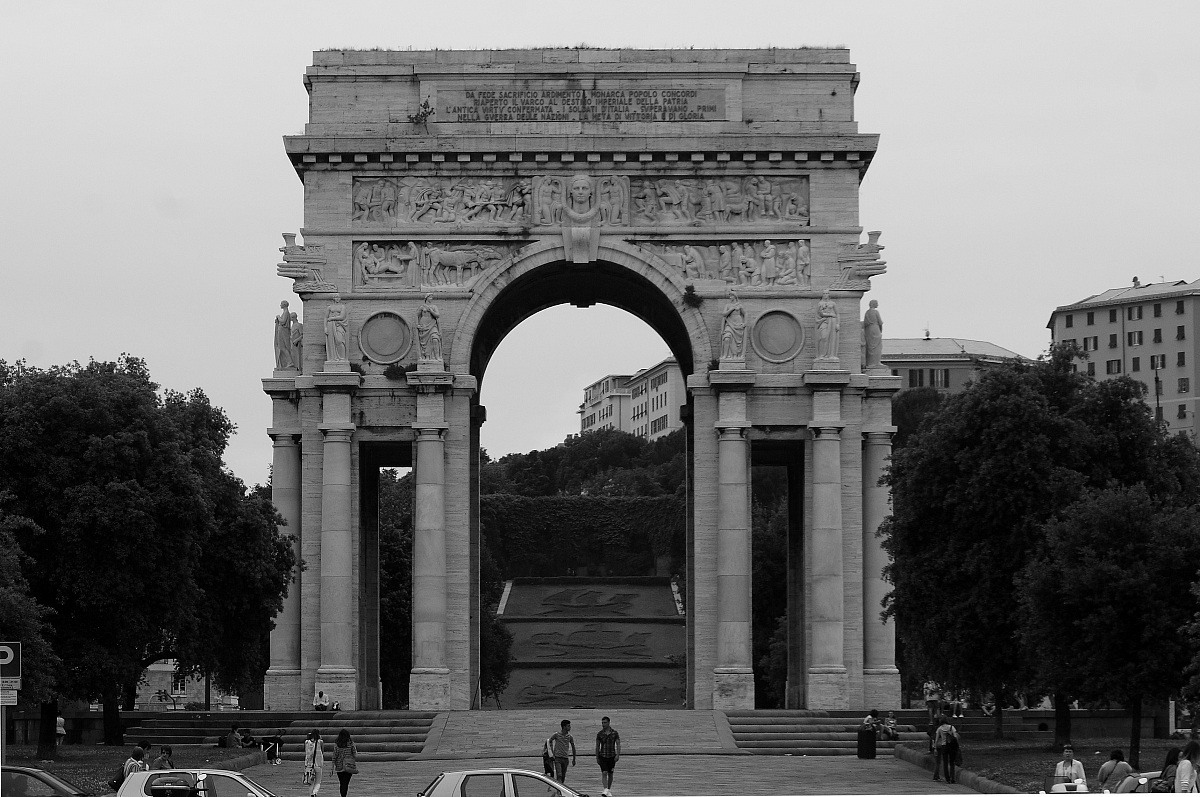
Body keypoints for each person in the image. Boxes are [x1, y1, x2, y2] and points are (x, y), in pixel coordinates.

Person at [595, 716, 620, 796]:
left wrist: (618, 755)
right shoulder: (600, 734)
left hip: (611, 755)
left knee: (610, 773)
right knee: (604, 772)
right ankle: (605, 788)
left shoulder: (614, 733)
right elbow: (597, 746)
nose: (603, 724)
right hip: (603, 755)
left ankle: (608, 789)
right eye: (602, 723)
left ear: (609, 723)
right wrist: (597, 757)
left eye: (605, 722)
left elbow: (618, 744)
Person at [549, 719, 577, 784]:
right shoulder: (557, 735)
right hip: (558, 758)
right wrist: (551, 751)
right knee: (559, 774)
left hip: (565, 758)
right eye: (568, 726)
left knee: (563, 775)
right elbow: (550, 741)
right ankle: (559, 789)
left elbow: (573, 747)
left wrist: (574, 759)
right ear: (564, 727)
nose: (570, 727)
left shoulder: (569, 737)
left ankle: (560, 787)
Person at [332, 729, 358, 797]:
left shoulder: (337, 744)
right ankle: (344, 795)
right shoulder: (351, 743)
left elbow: (334, 756)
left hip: (339, 766)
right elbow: (355, 754)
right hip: (348, 765)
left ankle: (342, 795)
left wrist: (332, 767)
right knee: (346, 783)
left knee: (342, 783)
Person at [934, 715, 959, 784]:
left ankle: (947, 778)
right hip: (952, 746)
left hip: (944, 746)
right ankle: (952, 777)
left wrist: (935, 748)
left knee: (945, 763)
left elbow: (936, 739)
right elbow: (955, 736)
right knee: (952, 762)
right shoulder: (951, 727)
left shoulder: (939, 728)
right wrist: (957, 745)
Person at [304, 729, 324, 797]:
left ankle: (310, 794)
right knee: (318, 781)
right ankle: (314, 792)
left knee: (310, 782)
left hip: (309, 764)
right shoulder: (320, 742)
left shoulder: (307, 742)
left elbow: (306, 752)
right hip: (318, 763)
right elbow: (322, 751)